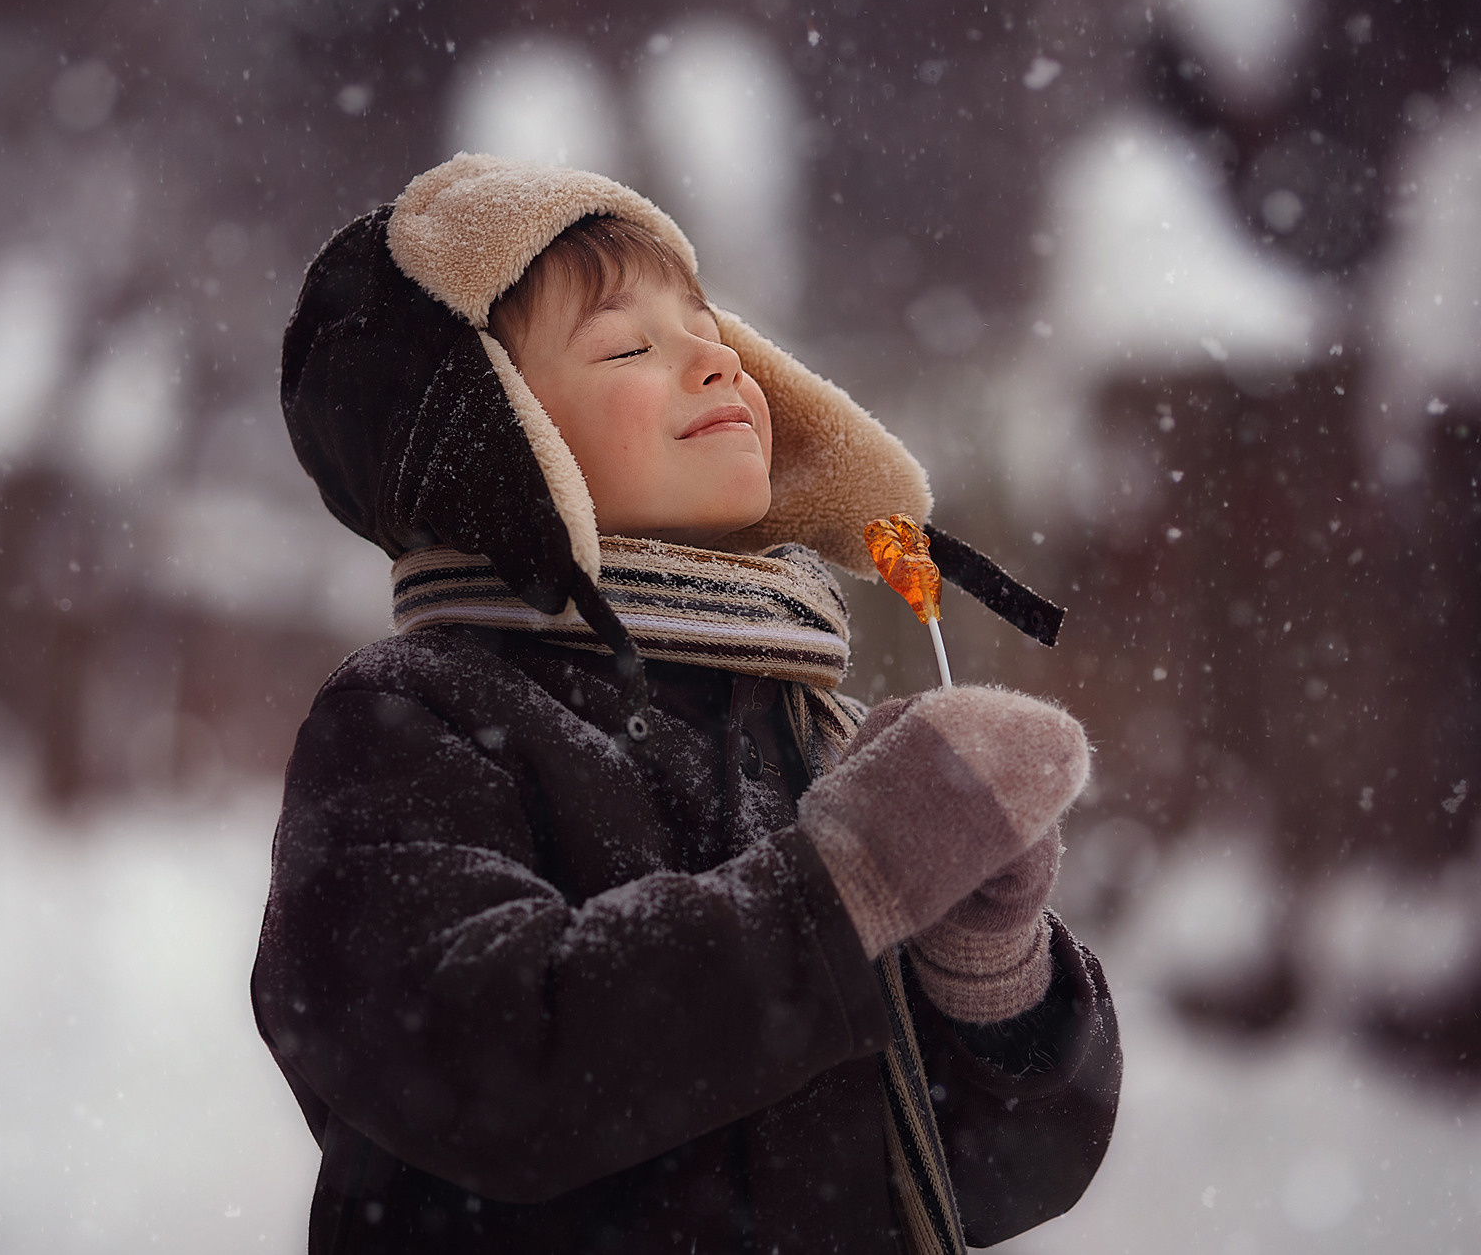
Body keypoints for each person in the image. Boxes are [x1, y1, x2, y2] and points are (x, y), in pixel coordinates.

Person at [254, 153, 1122, 1253]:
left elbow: (991, 1181)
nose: (716, 361)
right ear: (489, 444)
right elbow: (489, 1062)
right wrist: (846, 881)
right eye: (627, 345)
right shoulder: (408, 719)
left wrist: (982, 961)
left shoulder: (802, 731)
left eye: (713, 331)